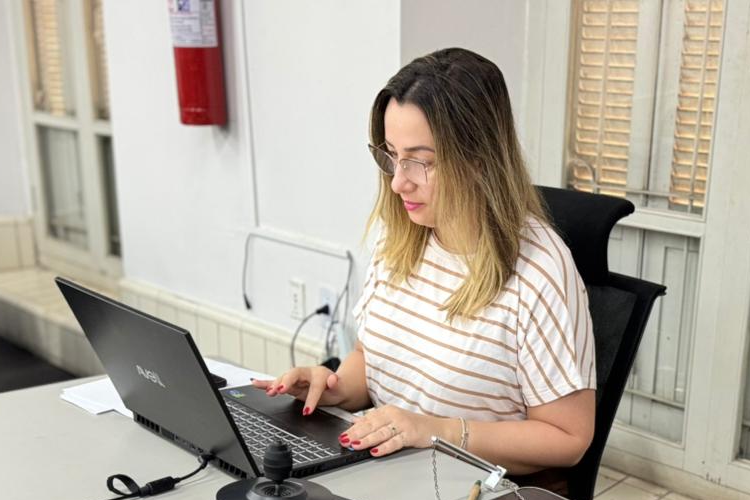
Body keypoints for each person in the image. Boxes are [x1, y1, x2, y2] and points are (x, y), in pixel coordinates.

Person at [253, 48, 594, 476]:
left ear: (478, 160)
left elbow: (568, 439)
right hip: (392, 473)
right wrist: (334, 387)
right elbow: (370, 358)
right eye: (392, 156)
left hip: (471, 491)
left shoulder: (539, 271)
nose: (399, 182)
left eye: (421, 162)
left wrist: (437, 431)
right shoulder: (401, 236)